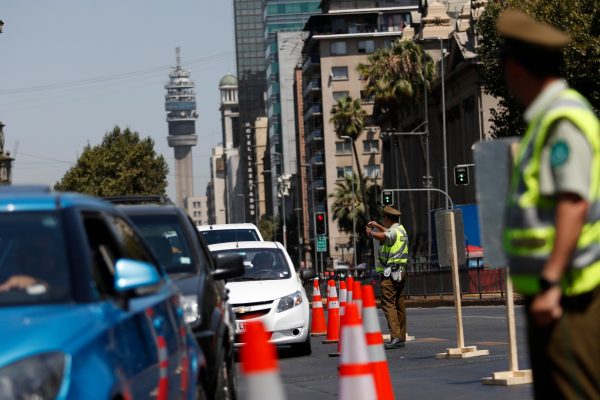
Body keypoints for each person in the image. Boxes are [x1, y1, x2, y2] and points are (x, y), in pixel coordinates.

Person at [498, 9, 600, 399]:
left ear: (518, 69)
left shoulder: (562, 120)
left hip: (570, 295)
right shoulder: (548, 120)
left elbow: (572, 202)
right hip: (556, 294)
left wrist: (551, 283)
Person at [366, 205, 408, 350]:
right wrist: (377, 226)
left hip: (391, 273)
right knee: (399, 303)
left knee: (388, 303)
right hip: (401, 272)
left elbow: (387, 236)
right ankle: (401, 336)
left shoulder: (393, 232)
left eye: (384, 219)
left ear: (388, 219)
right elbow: (389, 232)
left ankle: (396, 337)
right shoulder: (401, 230)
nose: (383, 222)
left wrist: (372, 233)